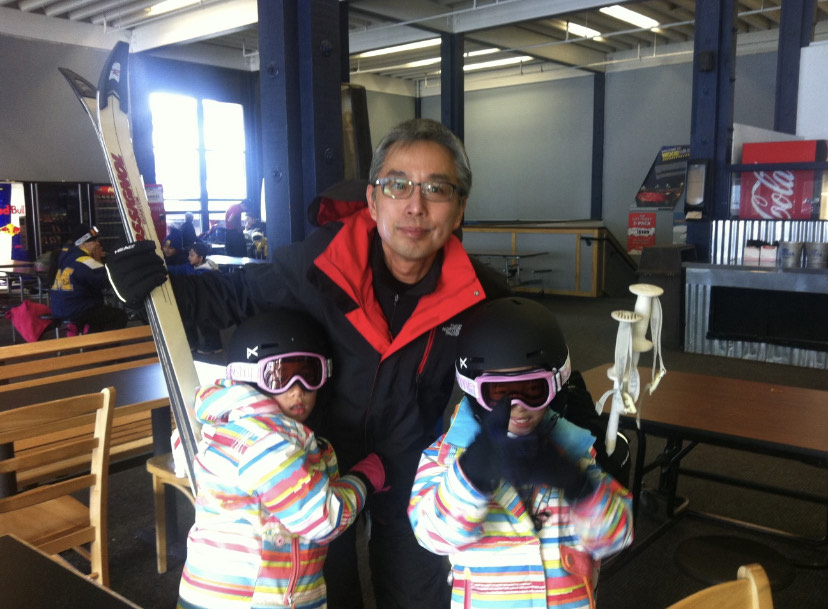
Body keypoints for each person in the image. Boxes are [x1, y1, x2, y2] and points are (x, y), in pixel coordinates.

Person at [105, 117, 510, 609]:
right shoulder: (320, 267)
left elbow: (531, 361)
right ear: (373, 198)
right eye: (398, 185)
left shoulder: (480, 294)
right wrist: (152, 287)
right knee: (325, 592)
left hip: (408, 466)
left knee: (416, 594)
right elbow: (234, 295)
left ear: (460, 207)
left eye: (437, 188)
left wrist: (582, 427)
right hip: (316, 467)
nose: (415, 205)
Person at [408, 297, 634, 609]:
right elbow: (432, 535)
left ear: (555, 385)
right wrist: (471, 473)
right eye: (498, 393)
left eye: (532, 390)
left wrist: (577, 485)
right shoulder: (442, 458)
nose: (518, 408)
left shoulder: (577, 451)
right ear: (472, 389)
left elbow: (616, 536)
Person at [177, 309, 387, 609]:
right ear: (248, 377)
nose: (298, 390)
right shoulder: (266, 442)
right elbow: (323, 519)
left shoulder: (226, 426)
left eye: (309, 373)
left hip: (214, 594)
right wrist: (365, 478)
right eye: (279, 376)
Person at [49, 224, 128, 333]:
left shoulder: (67, 258)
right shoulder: (84, 260)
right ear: (83, 243)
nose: (97, 244)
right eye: (94, 241)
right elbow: (106, 280)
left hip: (60, 307)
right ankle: (104, 348)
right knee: (119, 317)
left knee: (99, 314)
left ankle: (86, 336)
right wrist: (98, 260)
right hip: (76, 308)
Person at [168, 242, 222, 354]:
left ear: (201, 258)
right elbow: (177, 269)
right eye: (189, 254)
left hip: (207, 302)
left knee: (207, 323)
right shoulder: (189, 266)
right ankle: (192, 343)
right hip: (194, 300)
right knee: (190, 321)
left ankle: (214, 346)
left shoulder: (208, 273)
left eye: (192, 255)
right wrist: (163, 266)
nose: (189, 257)